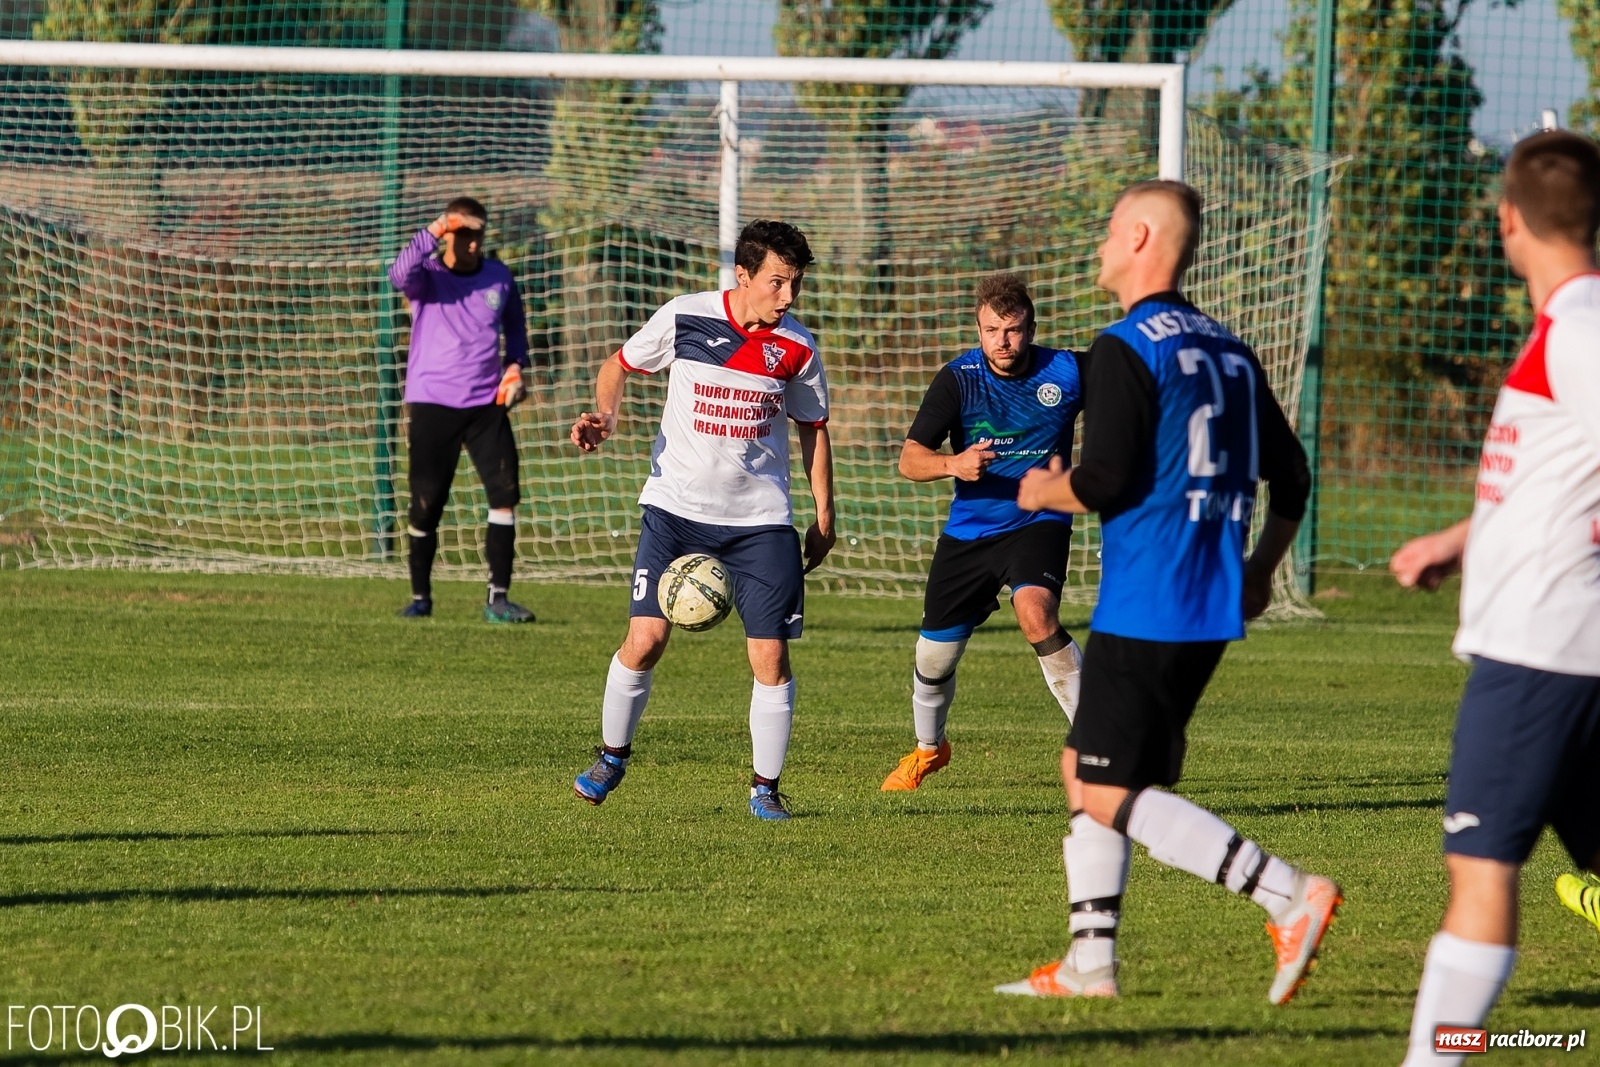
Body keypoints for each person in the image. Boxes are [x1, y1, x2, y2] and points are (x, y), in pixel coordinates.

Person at [993, 180, 1339, 1003]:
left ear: (1143, 235)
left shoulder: (1121, 345)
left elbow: (1108, 478)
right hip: (1209, 600)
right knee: (1087, 768)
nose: (1102, 244)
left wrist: (1043, 492)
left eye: (1112, 229)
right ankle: (1090, 963)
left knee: (1109, 789)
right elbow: (1291, 476)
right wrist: (1260, 568)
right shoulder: (1227, 346)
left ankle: (1289, 893)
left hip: (1149, 600)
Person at [1389, 130, 1600, 1066]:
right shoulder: (1566, 322)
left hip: (1543, 650)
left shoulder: (1586, 327)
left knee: (1480, 870)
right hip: (1556, 642)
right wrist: (1456, 539)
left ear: (1507, 218)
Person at [567, 219, 835, 821]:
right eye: (778, 282)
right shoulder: (686, 316)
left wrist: (825, 514)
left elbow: (813, 430)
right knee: (645, 641)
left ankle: (765, 790)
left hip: (761, 521)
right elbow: (619, 366)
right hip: (674, 511)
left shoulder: (799, 347)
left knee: (770, 656)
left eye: (795, 284)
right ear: (743, 276)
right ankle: (612, 757)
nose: (788, 296)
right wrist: (605, 418)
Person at [880, 273, 1085, 791]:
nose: (1003, 341)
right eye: (992, 329)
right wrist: (953, 464)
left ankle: (1103, 747)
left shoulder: (1068, 369)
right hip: (971, 532)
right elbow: (909, 460)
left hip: (1039, 519)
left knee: (1035, 613)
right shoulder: (959, 379)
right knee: (933, 657)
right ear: (978, 326)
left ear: (1031, 328)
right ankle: (929, 751)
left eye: (1013, 330)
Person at [388, 197, 534, 623]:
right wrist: (436, 228)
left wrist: (515, 368)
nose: (472, 244)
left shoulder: (499, 276)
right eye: (464, 234)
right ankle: (420, 598)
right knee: (426, 502)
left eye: (478, 235)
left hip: (486, 404)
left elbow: (516, 331)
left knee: (505, 494)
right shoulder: (427, 277)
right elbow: (398, 273)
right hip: (433, 402)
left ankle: (498, 599)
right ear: (450, 233)